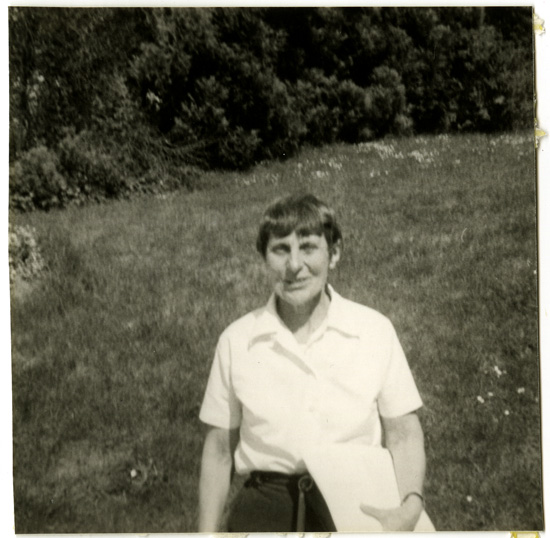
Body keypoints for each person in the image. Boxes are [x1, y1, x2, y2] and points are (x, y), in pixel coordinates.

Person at [198, 193, 426, 532]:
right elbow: (218, 450)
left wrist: (411, 504)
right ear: (264, 257)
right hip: (266, 510)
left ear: (334, 253)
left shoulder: (373, 330)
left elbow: (404, 433)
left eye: (308, 247)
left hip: (357, 507)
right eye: (280, 249)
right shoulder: (237, 340)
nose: (294, 265)